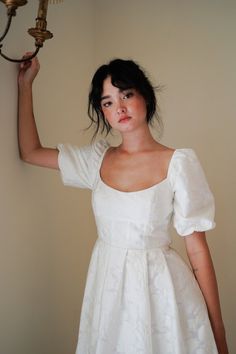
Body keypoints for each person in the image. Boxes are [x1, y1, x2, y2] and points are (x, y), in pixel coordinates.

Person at [18, 54, 228, 354]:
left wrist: (217, 331)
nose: (120, 108)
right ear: (103, 112)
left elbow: (197, 251)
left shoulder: (178, 163)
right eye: (107, 102)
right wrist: (25, 87)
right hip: (108, 291)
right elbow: (30, 152)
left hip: (162, 293)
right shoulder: (96, 161)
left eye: (126, 95)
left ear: (145, 96)